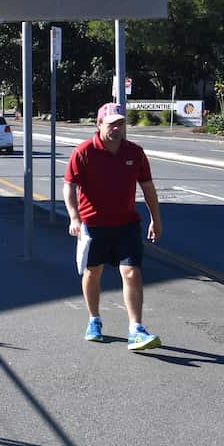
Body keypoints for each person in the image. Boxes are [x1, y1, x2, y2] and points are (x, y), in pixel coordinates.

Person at [63, 102, 164, 351]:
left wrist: (156, 218)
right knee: (93, 272)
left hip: (126, 224)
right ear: (99, 125)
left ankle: (136, 329)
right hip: (93, 226)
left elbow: (148, 187)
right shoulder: (84, 152)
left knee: (131, 272)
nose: (117, 129)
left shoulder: (135, 152)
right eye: (111, 124)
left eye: (120, 124)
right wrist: (74, 218)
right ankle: (94, 320)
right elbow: (69, 186)